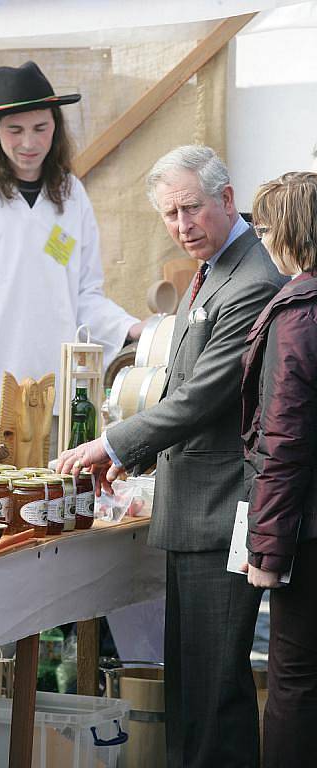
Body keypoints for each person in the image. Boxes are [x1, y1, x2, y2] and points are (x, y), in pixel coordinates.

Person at [58, 145, 286, 768]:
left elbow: (202, 396)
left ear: (228, 199)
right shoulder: (214, 268)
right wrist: (131, 455)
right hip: (194, 506)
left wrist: (112, 443)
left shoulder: (251, 278)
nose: (182, 225)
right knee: (194, 684)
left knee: (213, 692)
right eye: (169, 214)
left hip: (220, 510)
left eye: (192, 208)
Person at [0, 60, 145, 432]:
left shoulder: (70, 194)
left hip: (54, 399)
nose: (29, 143)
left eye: (40, 128)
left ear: (56, 127)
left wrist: (134, 329)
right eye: (15, 129)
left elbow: (83, 296)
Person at [242, 172, 317, 768]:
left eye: (265, 226)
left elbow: (283, 440)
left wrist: (267, 551)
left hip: (308, 531)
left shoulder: (298, 312)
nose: (260, 238)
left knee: (294, 676)